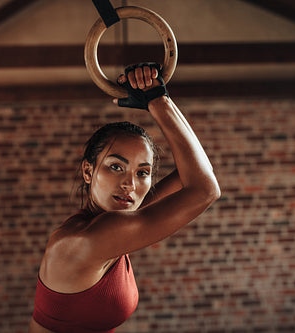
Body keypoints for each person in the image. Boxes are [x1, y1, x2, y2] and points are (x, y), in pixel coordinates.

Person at [29, 63, 221, 333]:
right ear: (88, 170)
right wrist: (157, 100)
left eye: (143, 172)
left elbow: (200, 170)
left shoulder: (116, 218)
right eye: (116, 166)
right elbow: (205, 188)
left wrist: (159, 100)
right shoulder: (92, 237)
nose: (130, 184)